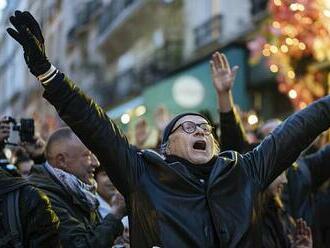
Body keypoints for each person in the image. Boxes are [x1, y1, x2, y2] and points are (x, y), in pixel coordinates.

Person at [7, 11, 330, 247]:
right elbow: (94, 125)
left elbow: (302, 125)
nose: (200, 132)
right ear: (166, 146)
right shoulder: (142, 174)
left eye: (205, 129)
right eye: (187, 127)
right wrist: (46, 72)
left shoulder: (245, 171)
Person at [27, 127, 123, 247]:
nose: (96, 162)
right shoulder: (42, 196)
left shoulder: (76, 189)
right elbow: (80, 245)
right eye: (87, 155)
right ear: (61, 161)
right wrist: (115, 214)